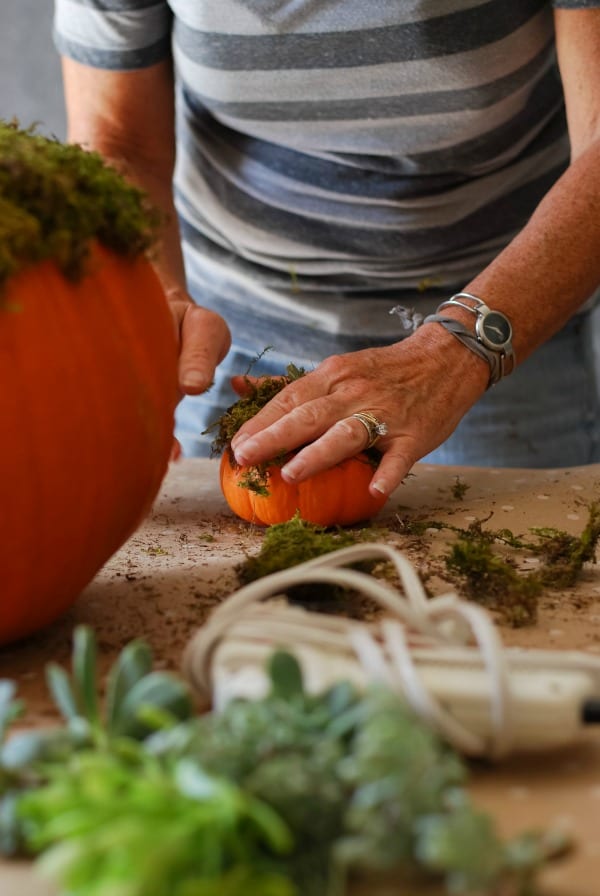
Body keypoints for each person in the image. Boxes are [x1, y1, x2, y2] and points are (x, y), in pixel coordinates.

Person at [53, 2, 600, 501]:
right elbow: (117, 140)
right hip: (231, 323)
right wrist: (156, 302)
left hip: (491, 324)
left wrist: (454, 352)